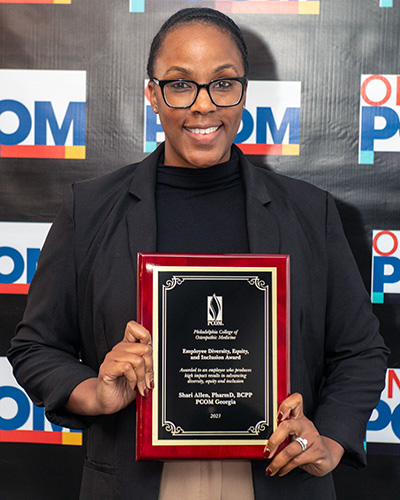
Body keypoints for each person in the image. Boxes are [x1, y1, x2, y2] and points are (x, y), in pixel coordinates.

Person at [8, 7, 388, 500]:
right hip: (138, 480)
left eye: (223, 83)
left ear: (244, 94)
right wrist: (96, 393)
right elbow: (35, 348)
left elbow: (360, 350)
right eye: (181, 84)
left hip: (276, 480)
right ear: (152, 94)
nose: (204, 105)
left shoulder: (309, 212)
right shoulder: (91, 208)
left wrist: (330, 441)